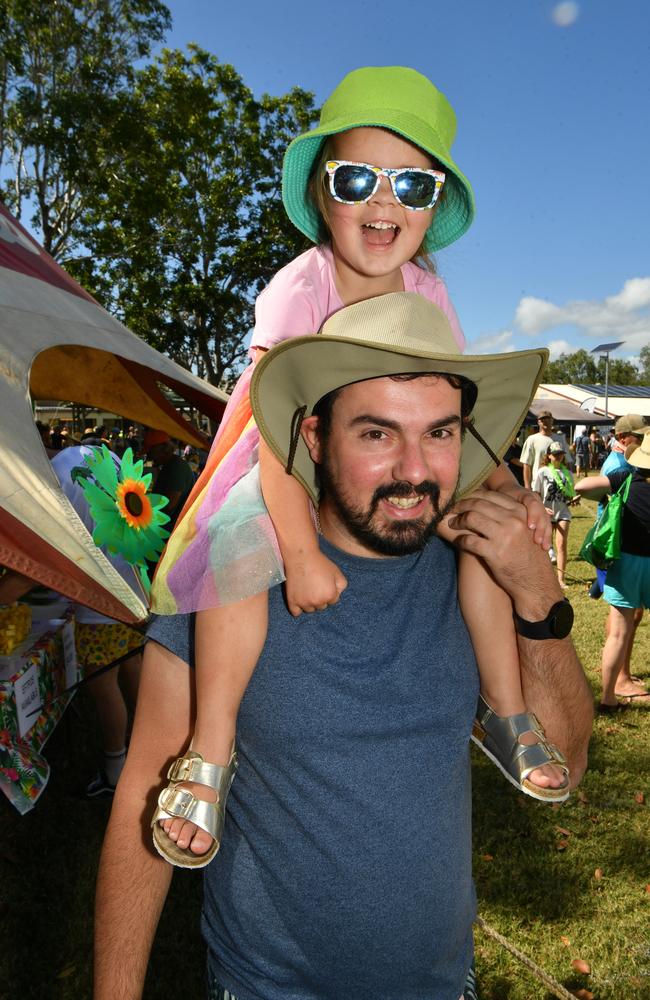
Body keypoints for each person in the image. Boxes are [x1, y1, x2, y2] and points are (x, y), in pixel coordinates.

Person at [95, 293, 593, 1000]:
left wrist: (538, 592)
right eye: (377, 435)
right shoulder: (234, 581)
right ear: (316, 437)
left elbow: (565, 767)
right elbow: (142, 803)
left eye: (441, 433)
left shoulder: (482, 571)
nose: (415, 471)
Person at [149, 66, 560, 868]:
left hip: (385, 449)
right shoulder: (298, 288)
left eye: (412, 183)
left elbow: (458, 415)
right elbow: (273, 438)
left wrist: (508, 492)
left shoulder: (425, 291)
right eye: (357, 178)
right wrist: (299, 552)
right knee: (236, 551)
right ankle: (212, 746)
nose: (384, 203)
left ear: (434, 206)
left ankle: (507, 712)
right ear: (321, 192)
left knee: (477, 528)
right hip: (279, 454)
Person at [576, 428, 650, 711]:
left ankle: (607, 698)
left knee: (618, 633)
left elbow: (582, 487)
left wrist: (608, 497)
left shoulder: (626, 478)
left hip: (626, 563)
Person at [533, 442, 579, 590]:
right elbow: (535, 495)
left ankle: (561, 579)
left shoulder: (567, 473)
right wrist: (542, 509)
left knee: (561, 546)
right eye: (556, 454)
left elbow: (568, 496)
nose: (559, 456)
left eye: (561, 454)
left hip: (563, 512)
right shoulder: (542, 472)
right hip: (546, 512)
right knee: (544, 547)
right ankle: (544, 578)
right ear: (549, 455)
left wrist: (574, 500)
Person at [144, 430, 196, 530]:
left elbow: (169, 505)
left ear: (164, 449)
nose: (150, 457)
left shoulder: (176, 467)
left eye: (151, 452)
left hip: (172, 531)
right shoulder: (168, 466)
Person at [521, 410, 572, 488]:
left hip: (559, 485)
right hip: (538, 485)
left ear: (552, 421)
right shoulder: (531, 439)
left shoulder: (560, 439)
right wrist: (527, 486)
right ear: (538, 422)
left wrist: (569, 483)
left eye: (548, 420)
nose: (545, 422)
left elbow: (567, 462)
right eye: (542, 420)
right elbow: (527, 465)